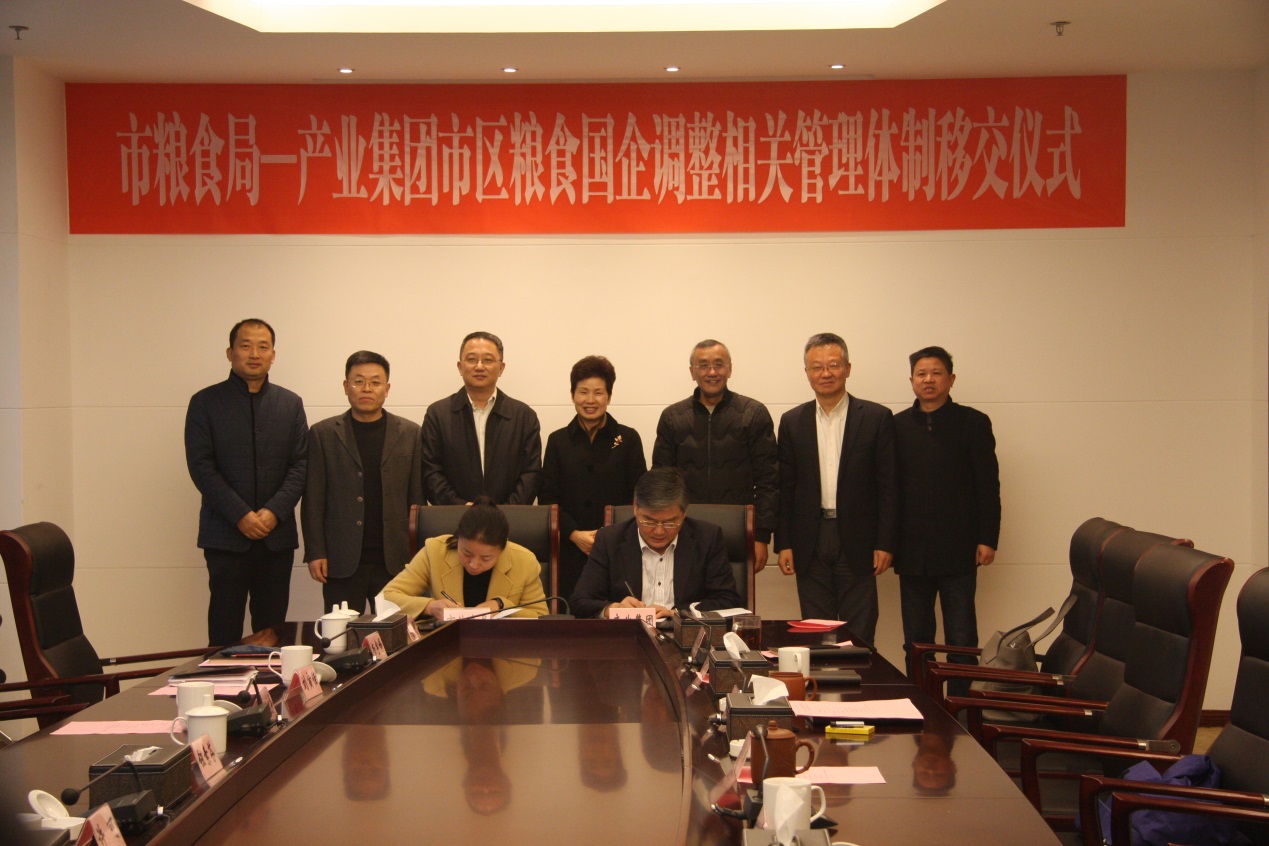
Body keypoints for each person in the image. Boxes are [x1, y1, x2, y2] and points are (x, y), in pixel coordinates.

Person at [185, 318, 307, 646]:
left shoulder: (290, 403)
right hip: (225, 537)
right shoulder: (205, 402)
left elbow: (300, 465)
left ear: (273, 355)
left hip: (275, 538)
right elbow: (201, 466)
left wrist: (273, 511)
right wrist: (240, 514)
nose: (254, 354)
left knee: (273, 633)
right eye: (245, 346)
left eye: (263, 347)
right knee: (224, 632)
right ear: (230, 352)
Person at [775, 332, 897, 645]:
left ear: (848, 368)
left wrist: (885, 542)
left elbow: (888, 487)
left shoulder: (876, 418)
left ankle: (860, 677)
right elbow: (785, 488)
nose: (825, 373)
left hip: (859, 537)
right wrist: (784, 543)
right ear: (807, 373)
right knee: (817, 631)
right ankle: (823, 678)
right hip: (810, 537)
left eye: (833, 365)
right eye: (816, 367)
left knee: (859, 630)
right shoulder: (792, 421)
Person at [893, 346, 1000, 690]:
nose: (929, 380)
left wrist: (988, 538)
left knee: (962, 637)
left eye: (936, 373)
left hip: (960, 547)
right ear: (911, 380)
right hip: (911, 550)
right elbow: (889, 490)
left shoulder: (973, 423)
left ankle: (960, 707)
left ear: (951, 379)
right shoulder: (896, 426)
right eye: (921, 374)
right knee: (916, 639)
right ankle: (923, 704)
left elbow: (988, 485)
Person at [302, 350, 423, 614]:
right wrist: (315, 551)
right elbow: (313, 499)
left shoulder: (410, 433)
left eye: (375, 382)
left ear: (387, 388)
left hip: (395, 559)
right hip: (341, 559)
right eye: (358, 381)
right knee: (341, 634)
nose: (367, 388)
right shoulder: (323, 434)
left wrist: (418, 556)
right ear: (346, 386)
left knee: (397, 633)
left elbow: (417, 501)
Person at [652, 339, 778, 572]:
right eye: (703, 365)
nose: (712, 372)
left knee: (735, 594)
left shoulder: (753, 414)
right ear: (692, 372)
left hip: (738, 530)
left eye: (719, 365)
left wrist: (761, 536)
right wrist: (662, 529)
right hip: (685, 530)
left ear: (730, 369)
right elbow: (662, 482)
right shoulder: (673, 417)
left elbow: (768, 480)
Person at [539, 355, 647, 600]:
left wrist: (608, 536)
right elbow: (547, 497)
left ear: (609, 396)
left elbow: (639, 496)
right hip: (569, 548)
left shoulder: (628, 439)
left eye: (598, 393)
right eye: (583, 392)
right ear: (572, 395)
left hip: (619, 548)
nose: (590, 400)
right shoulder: (557, 441)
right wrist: (573, 534)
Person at [570, 467, 741, 619]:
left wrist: (678, 613)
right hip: (630, 637)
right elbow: (580, 602)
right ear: (635, 507)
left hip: (686, 638)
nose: (659, 531)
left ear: (684, 513)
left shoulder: (707, 538)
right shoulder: (610, 540)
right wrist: (613, 609)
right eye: (649, 521)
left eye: (670, 522)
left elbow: (727, 600)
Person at [420, 331, 541, 505]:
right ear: (460, 367)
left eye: (488, 360)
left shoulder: (524, 416)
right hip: (454, 517)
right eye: (471, 359)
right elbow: (431, 471)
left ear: (501, 368)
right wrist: (460, 507)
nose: (479, 366)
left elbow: (531, 473)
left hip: (510, 519)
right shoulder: (438, 414)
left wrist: (504, 512)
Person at [383, 498, 547, 619]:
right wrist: (430, 607)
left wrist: (502, 606)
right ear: (458, 538)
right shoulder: (434, 551)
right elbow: (387, 597)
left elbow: (541, 618)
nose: (474, 564)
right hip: (446, 646)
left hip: (504, 649)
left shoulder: (524, 561)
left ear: (502, 549)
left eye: (486, 558)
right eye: (467, 553)